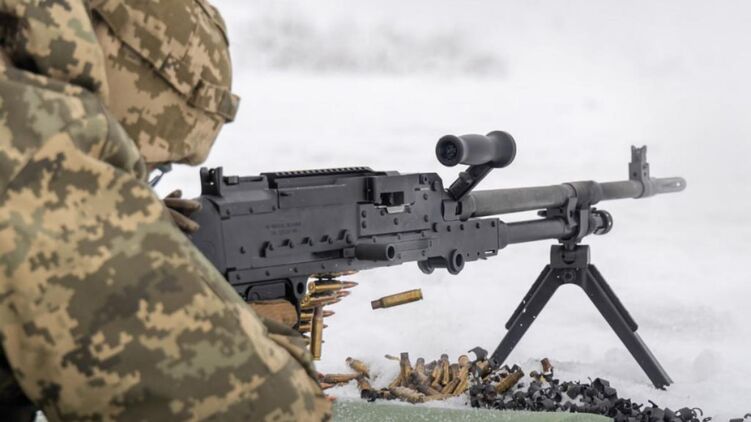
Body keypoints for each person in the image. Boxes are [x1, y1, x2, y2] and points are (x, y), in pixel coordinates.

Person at [0, 1, 331, 420]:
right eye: (151, 167)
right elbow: (268, 408)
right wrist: (234, 317)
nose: (141, 181)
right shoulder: (39, 156)